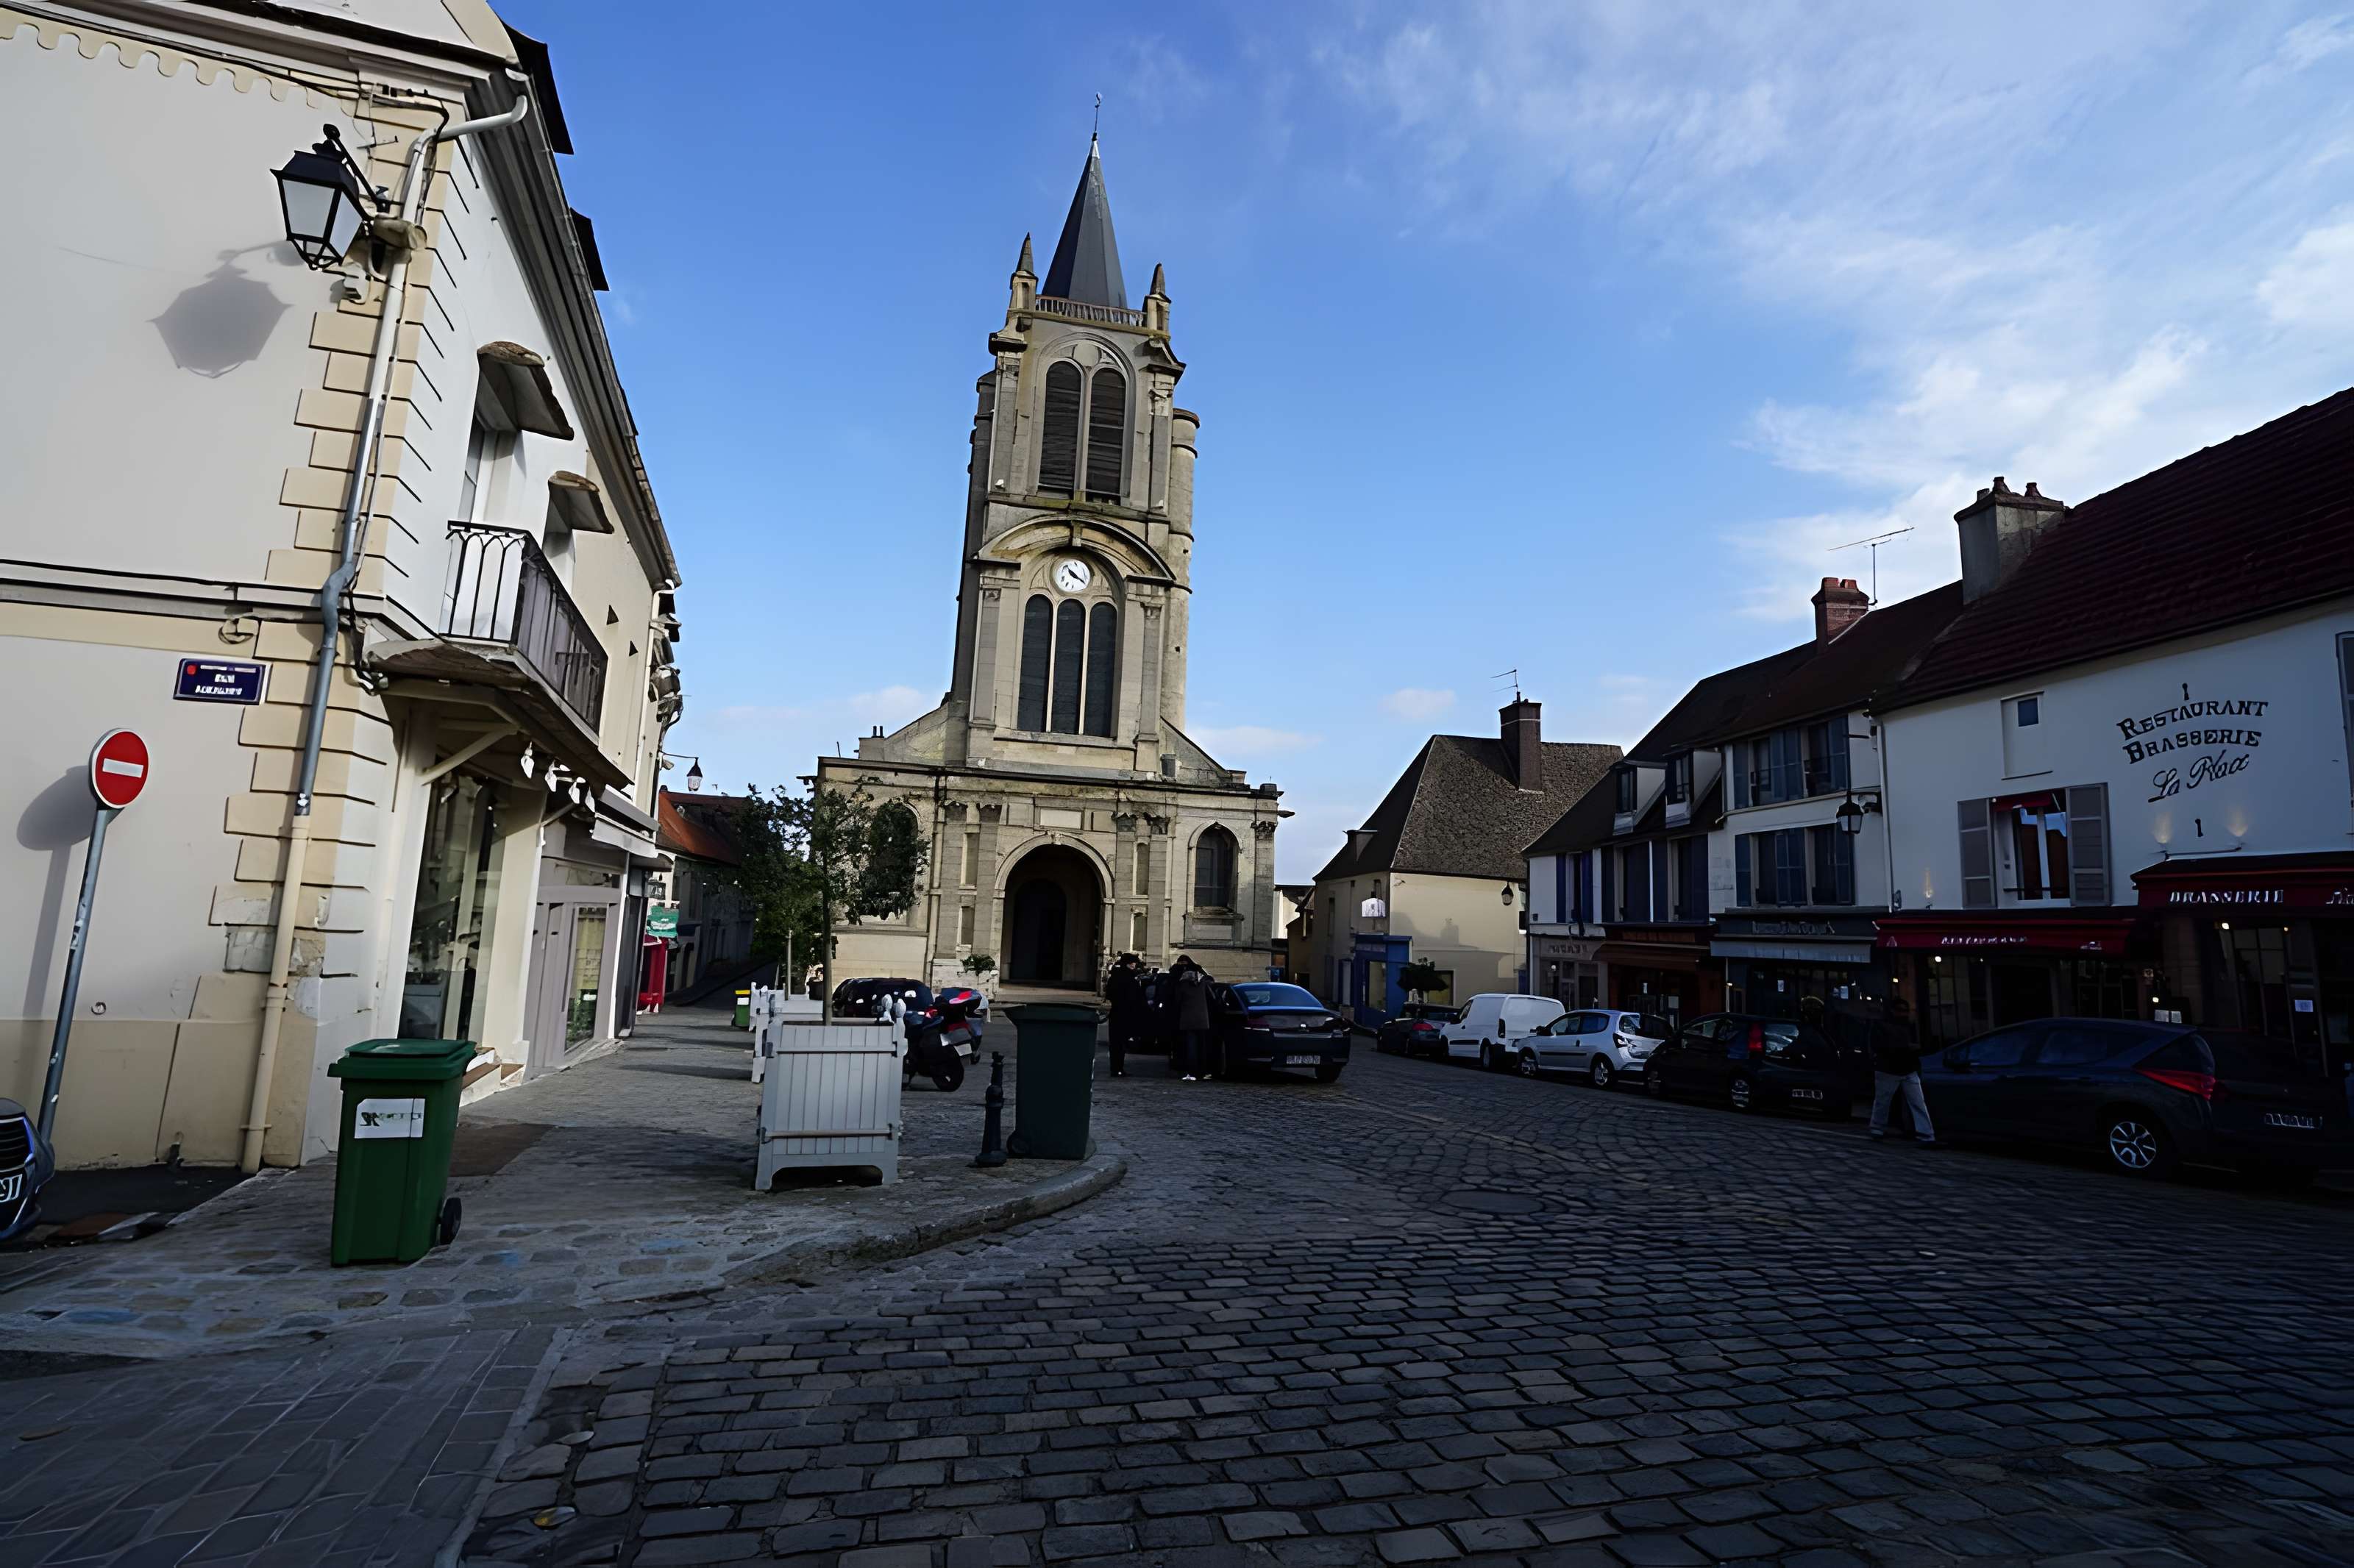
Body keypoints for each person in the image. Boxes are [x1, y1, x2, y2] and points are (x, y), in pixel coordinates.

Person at [1868, 994, 1935, 1145]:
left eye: (1905, 1010)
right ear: (1893, 1011)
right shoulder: (1892, 1026)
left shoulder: (1900, 1026)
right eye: (1900, 1010)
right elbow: (1882, 1047)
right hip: (1893, 1068)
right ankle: (1926, 1134)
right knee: (1890, 1101)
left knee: (1892, 1101)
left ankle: (1878, 1129)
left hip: (1899, 1068)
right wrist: (1909, 1049)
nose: (1903, 1013)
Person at [1170, 955, 1214, 1082]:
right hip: (1203, 1018)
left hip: (1188, 1018)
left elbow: (1177, 1001)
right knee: (1202, 1047)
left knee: (1191, 1046)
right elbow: (1211, 997)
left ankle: (1191, 1072)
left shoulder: (1182, 985)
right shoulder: (1203, 983)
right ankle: (1203, 1071)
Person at [1106, 955, 1143, 1078]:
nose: (1135, 965)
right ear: (1128, 964)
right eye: (1133, 963)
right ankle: (1118, 1069)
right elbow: (1136, 997)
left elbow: (1109, 994)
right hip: (1125, 1013)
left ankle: (1115, 1069)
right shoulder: (1130, 978)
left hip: (1116, 1012)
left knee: (1116, 1043)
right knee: (1121, 1043)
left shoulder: (1115, 976)